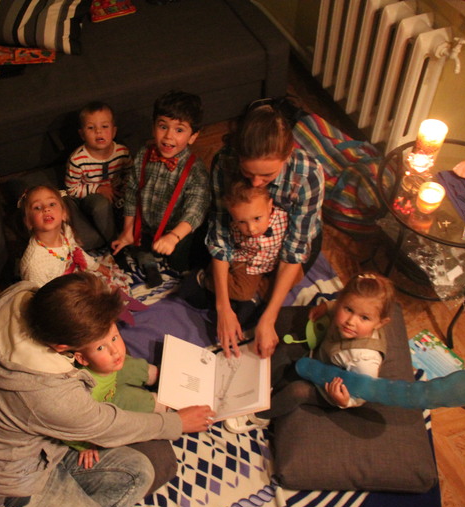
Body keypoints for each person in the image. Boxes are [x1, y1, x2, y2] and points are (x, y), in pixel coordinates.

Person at [0, 272, 215, 507]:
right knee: (153, 461)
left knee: (143, 471)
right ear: (63, 348)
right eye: (99, 345)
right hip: (8, 484)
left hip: (43, 444)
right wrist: (176, 422)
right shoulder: (49, 394)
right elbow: (108, 424)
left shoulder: (22, 295)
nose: (114, 347)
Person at [206, 98, 324, 359]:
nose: (257, 183)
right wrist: (222, 307)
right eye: (248, 174)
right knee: (229, 306)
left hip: (287, 243)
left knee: (264, 311)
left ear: (288, 153)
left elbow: (295, 250)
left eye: (268, 176)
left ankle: (255, 297)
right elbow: (220, 233)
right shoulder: (224, 161)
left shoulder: (308, 174)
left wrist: (269, 318)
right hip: (242, 240)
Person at [229, 273, 395, 433]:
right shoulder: (345, 311)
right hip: (318, 358)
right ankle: (258, 390)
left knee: (297, 392)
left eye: (364, 318)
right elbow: (341, 304)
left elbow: (364, 392)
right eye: (348, 309)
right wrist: (327, 306)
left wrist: (346, 401)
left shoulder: (365, 360)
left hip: (329, 387)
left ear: (380, 323)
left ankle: (259, 416)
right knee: (284, 352)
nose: (351, 321)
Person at [111, 89, 210, 288]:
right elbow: (132, 192)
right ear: (153, 126)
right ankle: (148, 263)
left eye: (179, 130)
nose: (168, 136)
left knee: (180, 263)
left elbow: (195, 211)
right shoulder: (143, 154)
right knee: (130, 243)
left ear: (193, 136)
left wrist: (173, 237)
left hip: (178, 231)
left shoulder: (195, 170)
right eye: (163, 126)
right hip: (147, 225)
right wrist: (128, 230)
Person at [66, 321, 165, 469]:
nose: (115, 350)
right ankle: (166, 404)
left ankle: (159, 375)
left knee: (131, 365)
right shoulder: (85, 391)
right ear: (83, 359)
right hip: (105, 401)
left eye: (114, 338)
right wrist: (83, 446)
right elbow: (71, 423)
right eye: (100, 348)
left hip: (109, 379)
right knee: (139, 401)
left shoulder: (113, 358)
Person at [196, 175, 290, 331]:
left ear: (269, 206)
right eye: (241, 222)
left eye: (257, 218)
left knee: (292, 276)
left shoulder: (284, 218)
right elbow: (224, 249)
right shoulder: (232, 227)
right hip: (247, 261)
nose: (251, 229)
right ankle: (205, 279)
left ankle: (258, 291)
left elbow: (294, 249)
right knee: (244, 293)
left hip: (271, 261)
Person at [19, 184, 132, 294]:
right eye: (37, 207)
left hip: (73, 280)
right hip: (59, 298)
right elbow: (41, 298)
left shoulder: (66, 231)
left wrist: (96, 266)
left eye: (52, 204)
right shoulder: (35, 265)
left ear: (64, 214)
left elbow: (75, 250)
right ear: (28, 222)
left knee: (113, 286)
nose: (46, 209)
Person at [64, 101, 133, 249]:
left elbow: (131, 174)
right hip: (93, 199)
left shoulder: (122, 152)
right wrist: (98, 189)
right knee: (101, 206)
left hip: (119, 196)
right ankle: (114, 244)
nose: (98, 132)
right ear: (82, 134)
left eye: (104, 126)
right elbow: (71, 190)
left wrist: (125, 187)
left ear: (114, 131)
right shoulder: (77, 160)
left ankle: (133, 237)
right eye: (91, 128)